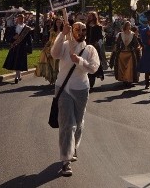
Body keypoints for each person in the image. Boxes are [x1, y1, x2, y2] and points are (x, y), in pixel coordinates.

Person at [50, 14, 100, 177]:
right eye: (77, 29)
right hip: (63, 88)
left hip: (81, 89)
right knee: (67, 124)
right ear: (72, 30)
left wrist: (79, 60)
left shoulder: (90, 49)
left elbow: (93, 68)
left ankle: (73, 146)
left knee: (78, 123)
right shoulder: (64, 45)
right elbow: (54, 54)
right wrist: (61, 34)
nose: (81, 32)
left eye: (83, 30)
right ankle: (65, 161)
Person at [3, 14, 33, 84]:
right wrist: (13, 37)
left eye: (22, 18)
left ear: (24, 19)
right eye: (19, 18)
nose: (20, 20)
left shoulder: (27, 28)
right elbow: (8, 37)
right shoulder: (13, 27)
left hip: (22, 47)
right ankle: (18, 75)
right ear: (17, 19)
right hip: (15, 46)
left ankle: (17, 75)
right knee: (16, 61)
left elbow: (29, 40)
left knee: (20, 61)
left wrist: (29, 48)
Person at [110, 20, 140, 86]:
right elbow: (118, 43)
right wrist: (116, 50)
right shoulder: (121, 34)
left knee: (129, 68)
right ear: (125, 26)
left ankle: (129, 80)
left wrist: (136, 48)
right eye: (127, 25)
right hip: (122, 53)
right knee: (122, 67)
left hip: (130, 54)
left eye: (129, 25)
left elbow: (136, 43)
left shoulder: (133, 34)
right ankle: (124, 79)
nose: (129, 26)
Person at [37, 17, 64, 86]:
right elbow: (50, 40)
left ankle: (60, 79)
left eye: (60, 22)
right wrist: (46, 47)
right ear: (55, 23)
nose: (58, 23)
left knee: (59, 65)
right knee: (53, 64)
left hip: (62, 48)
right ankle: (54, 79)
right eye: (57, 22)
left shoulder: (64, 31)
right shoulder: (52, 30)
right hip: (53, 48)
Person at [84, 11, 106, 88]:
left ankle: (93, 78)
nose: (89, 17)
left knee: (94, 62)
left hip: (94, 47)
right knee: (86, 62)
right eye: (88, 16)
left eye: (91, 16)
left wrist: (97, 42)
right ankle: (87, 78)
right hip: (86, 46)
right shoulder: (86, 25)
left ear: (94, 17)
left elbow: (100, 37)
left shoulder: (98, 26)